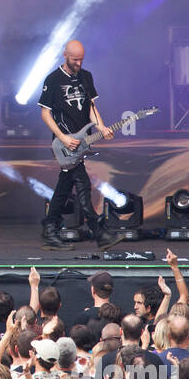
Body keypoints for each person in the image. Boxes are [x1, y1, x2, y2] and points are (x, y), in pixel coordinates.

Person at [38, 40, 119, 250]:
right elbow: (45, 113)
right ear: (65, 55)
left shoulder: (86, 76)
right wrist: (63, 138)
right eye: (75, 59)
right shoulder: (53, 80)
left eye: (81, 59)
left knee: (64, 188)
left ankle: (50, 231)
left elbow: (91, 106)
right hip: (66, 143)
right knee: (82, 184)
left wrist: (101, 127)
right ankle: (98, 232)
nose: (78, 63)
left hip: (83, 142)